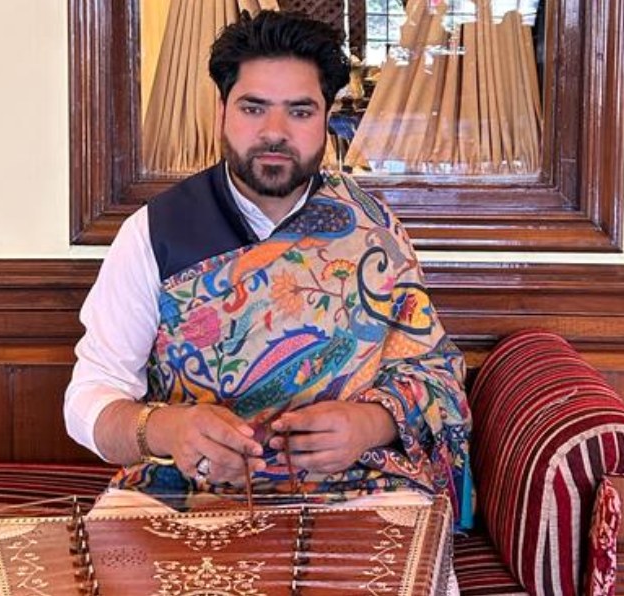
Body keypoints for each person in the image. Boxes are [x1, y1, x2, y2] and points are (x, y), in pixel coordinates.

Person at [63, 12, 472, 590]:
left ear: (328, 120)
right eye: (253, 107)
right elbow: (89, 396)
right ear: (221, 114)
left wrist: (370, 423)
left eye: (299, 111)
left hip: (361, 492)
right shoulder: (156, 232)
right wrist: (168, 431)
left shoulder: (375, 232)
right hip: (184, 496)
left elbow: (437, 378)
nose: (274, 131)